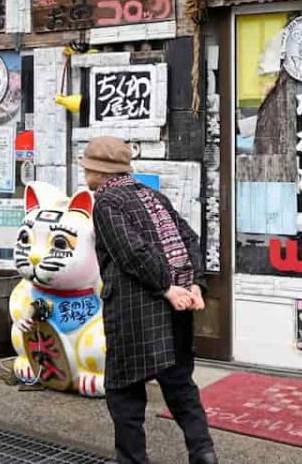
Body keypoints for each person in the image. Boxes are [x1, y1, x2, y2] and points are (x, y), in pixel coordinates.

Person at [80, 136, 218, 464]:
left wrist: (168, 288)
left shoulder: (106, 202)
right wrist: (194, 284)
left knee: (124, 394)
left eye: (87, 167)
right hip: (178, 309)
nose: (84, 173)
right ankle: (204, 453)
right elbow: (188, 238)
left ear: (99, 172)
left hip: (137, 313)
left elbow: (132, 253)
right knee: (180, 387)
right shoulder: (152, 195)